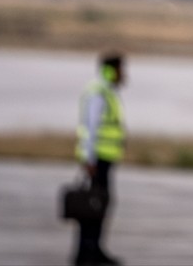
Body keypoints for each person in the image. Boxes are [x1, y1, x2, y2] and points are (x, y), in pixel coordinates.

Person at [73, 53, 126, 265]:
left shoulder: (107, 91)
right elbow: (90, 126)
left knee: (99, 206)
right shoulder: (99, 92)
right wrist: (89, 159)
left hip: (104, 159)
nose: (124, 74)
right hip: (97, 161)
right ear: (112, 70)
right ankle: (86, 252)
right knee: (92, 207)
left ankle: (93, 249)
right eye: (121, 69)